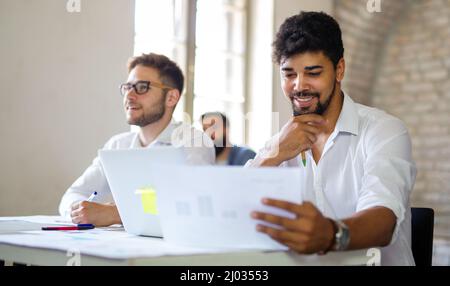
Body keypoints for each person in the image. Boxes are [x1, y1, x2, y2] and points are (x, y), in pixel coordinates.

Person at [248, 11, 416, 265]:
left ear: (339, 70)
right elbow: (236, 208)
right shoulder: (280, 143)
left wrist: (329, 234)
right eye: (289, 74)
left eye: (313, 73)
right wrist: (274, 154)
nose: (299, 86)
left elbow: (383, 219)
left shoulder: (385, 131)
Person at [59, 53, 214, 226]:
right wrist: (80, 212)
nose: (129, 96)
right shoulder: (117, 145)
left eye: (142, 87)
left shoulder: (194, 142)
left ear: (171, 97)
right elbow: (73, 194)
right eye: (127, 87)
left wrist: (116, 214)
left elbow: (188, 205)